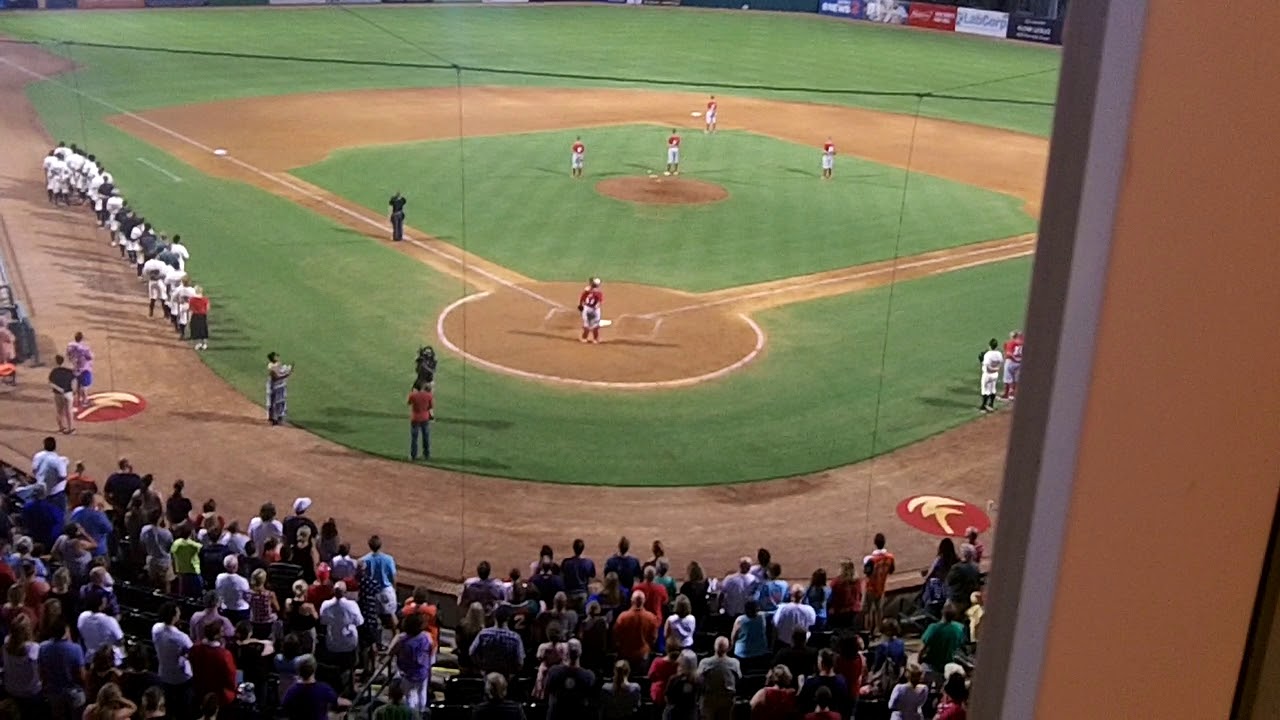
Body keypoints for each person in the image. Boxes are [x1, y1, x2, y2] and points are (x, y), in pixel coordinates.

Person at [281, 654, 351, 720]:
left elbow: (285, 706)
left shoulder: (292, 690)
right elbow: (339, 701)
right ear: (315, 668)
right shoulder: (324, 689)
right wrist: (349, 702)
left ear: (298, 670)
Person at [387, 612, 433, 712]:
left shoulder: (402, 640)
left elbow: (391, 651)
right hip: (423, 670)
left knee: (409, 695)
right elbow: (430, 651)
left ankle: (411, 713)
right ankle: (421, 711)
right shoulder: (427, 637)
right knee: (422, 692)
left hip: (408, 673)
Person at [152, 602, 194, 713]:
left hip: (164, 673)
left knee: (169, 706)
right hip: (180, 677)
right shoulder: (181, 637)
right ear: (174, 616)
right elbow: (192, 652)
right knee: (182, 707)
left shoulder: (156, 628)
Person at [318, 581, 363, 674]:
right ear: (345, 592)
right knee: (350, 667)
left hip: (333, 642)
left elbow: (323, 621)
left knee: (335, 669)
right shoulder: (352, 605)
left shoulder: (325, 605)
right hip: (349, 643)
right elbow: (359, 622)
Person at [189, 621, 237, 707]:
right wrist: (234, 689)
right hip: (219, 694)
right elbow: (231, 676)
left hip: (200, 689)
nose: (223, 634)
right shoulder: (224, 655)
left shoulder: (195, 648)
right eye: (221, 632)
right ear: (216, 636)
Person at [544, 639, 594, 720]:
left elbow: (546, 692)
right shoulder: (589, 676)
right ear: (580, 652)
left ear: (566, 652)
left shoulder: (554, 672)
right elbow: (591, 699)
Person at [613, 590, 659, 675]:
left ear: (631, 601)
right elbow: (653, 638)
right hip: (643, 655)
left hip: (625, 654)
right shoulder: (651, 618)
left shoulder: (623, 617)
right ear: (644, 601)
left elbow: (616, 636)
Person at [4, 614, 42, 716]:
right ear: (28, 630)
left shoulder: (6, 644)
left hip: (11, 690)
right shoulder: (34, 648)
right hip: (30, 693)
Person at [469, 608, 525, 678]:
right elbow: (520, 662)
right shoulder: (515, 638)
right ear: (508, 619)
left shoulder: (483, 634)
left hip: (487, 673)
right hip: (506, 675)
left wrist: (481, 666)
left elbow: (472, 652)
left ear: (494, 617)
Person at [797, 649, 850, 719]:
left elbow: (801, 705)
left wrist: (800, 686)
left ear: (821, 663)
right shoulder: (841, 681)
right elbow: (845, 705)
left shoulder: (810, 682)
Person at [697, 636, 741, 720]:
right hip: (727, 699)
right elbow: (738, 679)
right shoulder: (735, 663)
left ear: (714, 647)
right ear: (728, 648)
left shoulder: (704, 662)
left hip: (709, 699)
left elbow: (698, 680)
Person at [863, 533, 896, 633]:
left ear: (875, 543)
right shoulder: (890, 558)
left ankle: (868, 632)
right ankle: (878, 631)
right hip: (881, 587)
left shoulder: (871, 559)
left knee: (867, 611)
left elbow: (867, 573)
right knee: (879, 611)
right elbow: (891, 570)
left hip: (871, 588)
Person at [920, 604, 966, 675]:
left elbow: (922, 648)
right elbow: (960, 644)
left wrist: (918, 660)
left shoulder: (933, 628)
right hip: (949, 664)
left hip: (932, 663)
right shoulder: (959, 628)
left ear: (942, 612)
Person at [731, 601, 771, 671]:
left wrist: (732, 646)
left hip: (742, 654)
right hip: (760, 652)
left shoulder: (740, 620)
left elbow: (733, 636)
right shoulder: (762, 616)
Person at [773, 585, 817, 649]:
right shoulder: (809, 609)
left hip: (785, 642)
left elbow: (776, 623)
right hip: (803, 642)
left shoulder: (783, 608)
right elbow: (812, 623)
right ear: (803, 596)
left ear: (791, 595)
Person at [32, 436, 69, 509]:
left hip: (41, 491)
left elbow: (34, 470)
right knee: (59, 513)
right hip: (55, 494)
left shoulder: (38, 456)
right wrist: (53, 483)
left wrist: (41, 479)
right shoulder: (58, 460)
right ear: (55, 446)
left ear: (44, 445)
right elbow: (63, 476)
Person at [664, 650, 701, 720]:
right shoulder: (698, 680)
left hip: (675, 714)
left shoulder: (674, 680)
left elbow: (667, 698)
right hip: (691, 714)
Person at [560, 538, 595, 609]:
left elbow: (561, 575)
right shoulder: (588, 563)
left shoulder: (566, 562)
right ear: (583, 549)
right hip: (582, 593)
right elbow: (592, 575)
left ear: (573, 548)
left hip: (569, 594)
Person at [946, 545, 982, 612]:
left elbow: (948, 581)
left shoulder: (956, 568)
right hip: (969, 601)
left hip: (957, 601)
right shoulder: (975, 567)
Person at [48, 355, 77, 434]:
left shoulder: (54, 372)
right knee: (69, 411)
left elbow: (51, 383)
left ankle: (61, 428)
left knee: (59, 411)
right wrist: (74, 391)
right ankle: (71, 428)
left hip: (58, 394)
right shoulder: (69, 371)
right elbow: (74, 382)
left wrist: (60, 389)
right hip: (68, 393)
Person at [64, 332, 93, 409]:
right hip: (84, 369)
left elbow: (68, 356)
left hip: (75, 368)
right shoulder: (84, 348)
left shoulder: (70, 346)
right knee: (85, 386)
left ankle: (78, 399)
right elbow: (90, 357)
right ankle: (85, 401)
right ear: (82, 338)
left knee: (78, 384)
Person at [407, 381, 433, 461]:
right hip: (425, 418)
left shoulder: (413, 395)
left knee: (414, 438)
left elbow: (409, 403)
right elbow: (430, 407)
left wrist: (412, 393)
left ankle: (413, 455)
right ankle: (426, 455)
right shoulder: (429, 395)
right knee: (426, 437)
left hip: (415, 418)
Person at [266, 352, 294, 425]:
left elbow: (281, 371)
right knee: (275, 403)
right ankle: (274, 418)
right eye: (276, 356)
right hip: (274, 387)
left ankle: (276, 417)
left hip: (280, 386)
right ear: (272, 358)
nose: (277, 357)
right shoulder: (271, 366)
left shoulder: (278, 364)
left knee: (279, 402)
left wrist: (288, 369)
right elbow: (276, 377)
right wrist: (287, 374)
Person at [979, 338, 1003, 412]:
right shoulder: (999, 353)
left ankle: (983, 406)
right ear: (996, 346)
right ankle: (991, 404)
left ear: (989, 346)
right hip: (995, 375)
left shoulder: (987, 354)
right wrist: (996, 369)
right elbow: (1000, 363)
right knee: (993, 389)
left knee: (984, 390)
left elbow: (987, 366)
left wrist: (982, 362)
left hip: (987, 374)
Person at [578, 277, 604, 344]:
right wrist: (596, 306)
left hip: (590, 309)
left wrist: (580, 305)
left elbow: (582, 298)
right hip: (591, 309)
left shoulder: (588, 291)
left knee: (590, 325)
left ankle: (589, 338)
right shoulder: (596, 292)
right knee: (591, 326)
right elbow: (599, 302)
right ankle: (590, 339)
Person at [1001, 330, 1024, 401]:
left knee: (1007, 379)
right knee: (1016, 380)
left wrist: (1015, 359)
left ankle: (1007, 395)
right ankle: (1013, 395)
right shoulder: (1023, 343)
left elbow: (1009, 353)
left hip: (1011, 362)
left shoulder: (1010, 343)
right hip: (1019, 363)